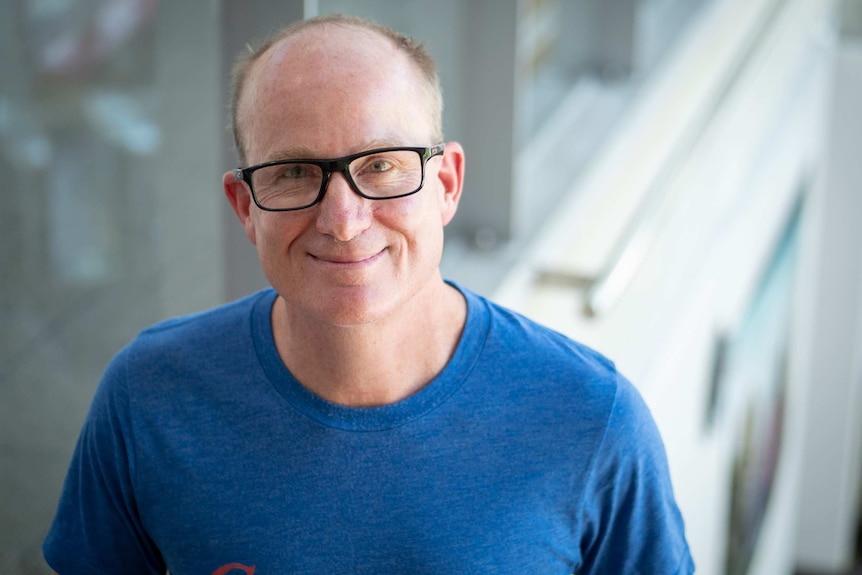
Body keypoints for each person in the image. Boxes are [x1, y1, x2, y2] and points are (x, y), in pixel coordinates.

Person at [43, 13, 694, 575]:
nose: (343, 220)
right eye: (295, 172)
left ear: (447, 183)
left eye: (381, 164)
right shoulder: (150, 396)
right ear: (245, 207)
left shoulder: (591, 420)